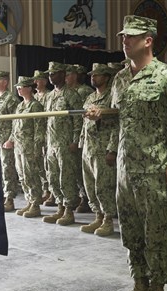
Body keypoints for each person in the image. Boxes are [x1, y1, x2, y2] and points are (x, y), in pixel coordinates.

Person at [86, 15, 167, 291]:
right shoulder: (121, 79)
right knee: (132, 233)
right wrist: (101, 116)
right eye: (123, 36)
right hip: (126, 169)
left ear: (148, 40)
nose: (125, 41)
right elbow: (119, 116)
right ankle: (139, 285)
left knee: (157, 235)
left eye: (131, 37)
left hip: (154, 170)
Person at [79, 63, 118, 237]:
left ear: (107, 77)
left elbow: (118, 125)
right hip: (89, 148)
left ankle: (108, 220)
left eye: (98, 75)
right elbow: (85, 122)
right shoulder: (90, 98)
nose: (93, 78)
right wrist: (81, 143)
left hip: (103, 148)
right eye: (92, 75)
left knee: (104, 186)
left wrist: (112, 149)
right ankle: (98, 215)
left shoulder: (112, 97)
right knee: (90, 185)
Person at [42, 61, 83, 226]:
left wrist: (75, 141)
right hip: (52, 143)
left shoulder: (71, 95)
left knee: (66, 177)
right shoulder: (49, 96)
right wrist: (45, 143)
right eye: (50, 74)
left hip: (65, 144)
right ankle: (59, 206)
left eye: (55, 73)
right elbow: (47, 121)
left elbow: (78, 120)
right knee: (52, 176)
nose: (51, 77)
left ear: (63, 75)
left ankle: (68, 210)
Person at [4, 76, 45, 218]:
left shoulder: (35, 106)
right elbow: (15, 127)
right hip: (19, 147)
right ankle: (29, 200)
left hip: (29, 147)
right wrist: (10, 140)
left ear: (29, 88)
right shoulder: (20, 106)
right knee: (22, 176)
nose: (18, 89)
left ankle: (36, 204)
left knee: (31, 175)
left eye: (21, 87)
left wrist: (36, 149)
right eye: (17, 87)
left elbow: (40, 129)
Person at [0, 69, 20, 212]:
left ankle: (9, 198)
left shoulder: (11, 99)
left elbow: (17, 121)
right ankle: (0, 195)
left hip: (6, 140)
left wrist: (11, 139)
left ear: (5, 82)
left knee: (8, 169)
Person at [65, 64, 94, 213]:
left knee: (80, 168)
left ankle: (85, 197)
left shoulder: (85, 91)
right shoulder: (67, 93)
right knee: (73, 170)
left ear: (75, 76)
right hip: (72, 134)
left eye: (68, 74)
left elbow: (81, 118)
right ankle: (77, 195)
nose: (66, 77)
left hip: (84, 134)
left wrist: (77, 139)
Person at [32, 69, 52, 203]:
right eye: (34, 80)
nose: (35, 82)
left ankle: (50, 191)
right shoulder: (34, 97)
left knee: (47, 164)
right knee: (38, 164)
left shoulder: (48, 95)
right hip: (35, 134)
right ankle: (44, 188)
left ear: (44, 82)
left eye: (38, 80)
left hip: (47, 134)